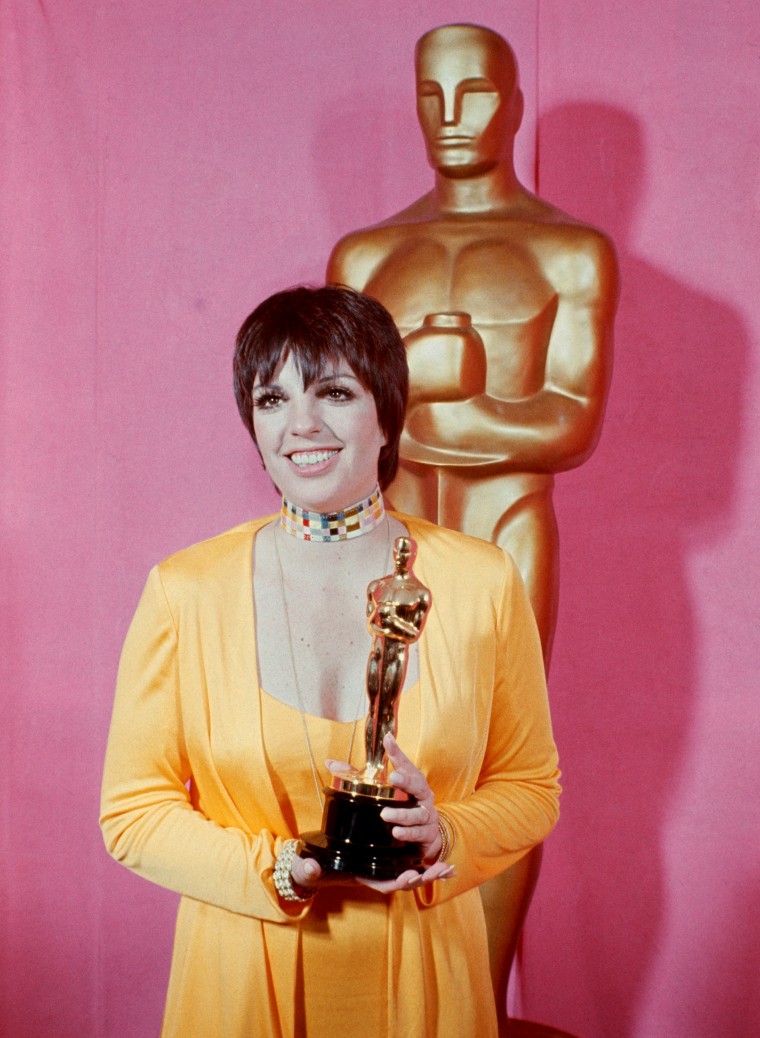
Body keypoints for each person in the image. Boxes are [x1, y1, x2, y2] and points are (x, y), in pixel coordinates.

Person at [100, 284, 560, 1037]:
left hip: (426, 985)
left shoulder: (483, 581)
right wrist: (279, 869)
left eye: (334, 392)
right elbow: (132, 813)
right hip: (241, 986)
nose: (301, 425)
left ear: (387, 414)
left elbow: (532, 785)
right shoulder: (184, 590)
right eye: (272, 399)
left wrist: (446, 832)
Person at [327, 24, 617, 1019]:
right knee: (370, 755)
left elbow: (571, 421)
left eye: (476, 97)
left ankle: (475, 1010)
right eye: (431, 97)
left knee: (498, 765)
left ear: (514, 102)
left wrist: (438, 389)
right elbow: (333, 420)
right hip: (384, 538)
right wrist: (459, 390)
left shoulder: (568, 251)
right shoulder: (366, 254)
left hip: (505, 535)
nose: (451, 120)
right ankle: (389, 1002)